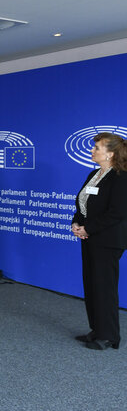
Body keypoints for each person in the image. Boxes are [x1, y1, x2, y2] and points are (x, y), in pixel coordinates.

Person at [71, 133, 127, 351]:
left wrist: (88, 228)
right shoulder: (94, 174)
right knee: (92, 285)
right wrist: (76, 223)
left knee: (105, 288)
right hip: (90, 237)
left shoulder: (121, 177)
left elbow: (118, 213)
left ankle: (109, 336)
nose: (92, 151)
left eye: (97, 148)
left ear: (110, 153)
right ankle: (96, 330)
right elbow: (82, 204)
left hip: (108, 240)